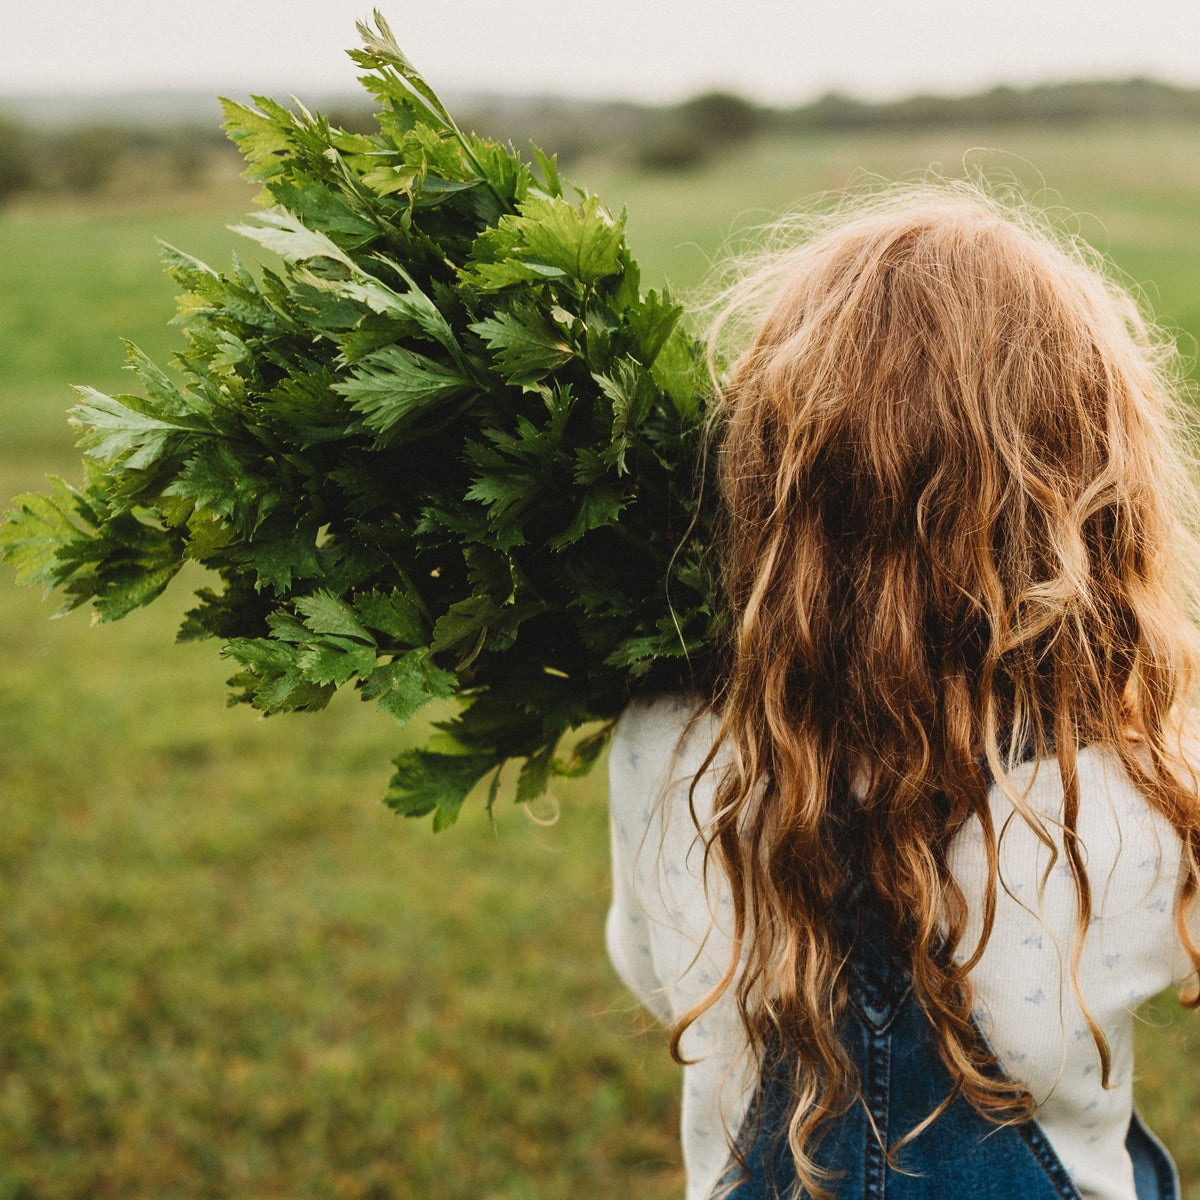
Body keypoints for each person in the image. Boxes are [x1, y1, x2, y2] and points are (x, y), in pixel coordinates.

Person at [606, 183, 1200, 1200]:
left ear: (768, 476)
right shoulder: (1145, 770)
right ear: (1090, 488)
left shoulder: (668, 736)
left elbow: (650, 970)